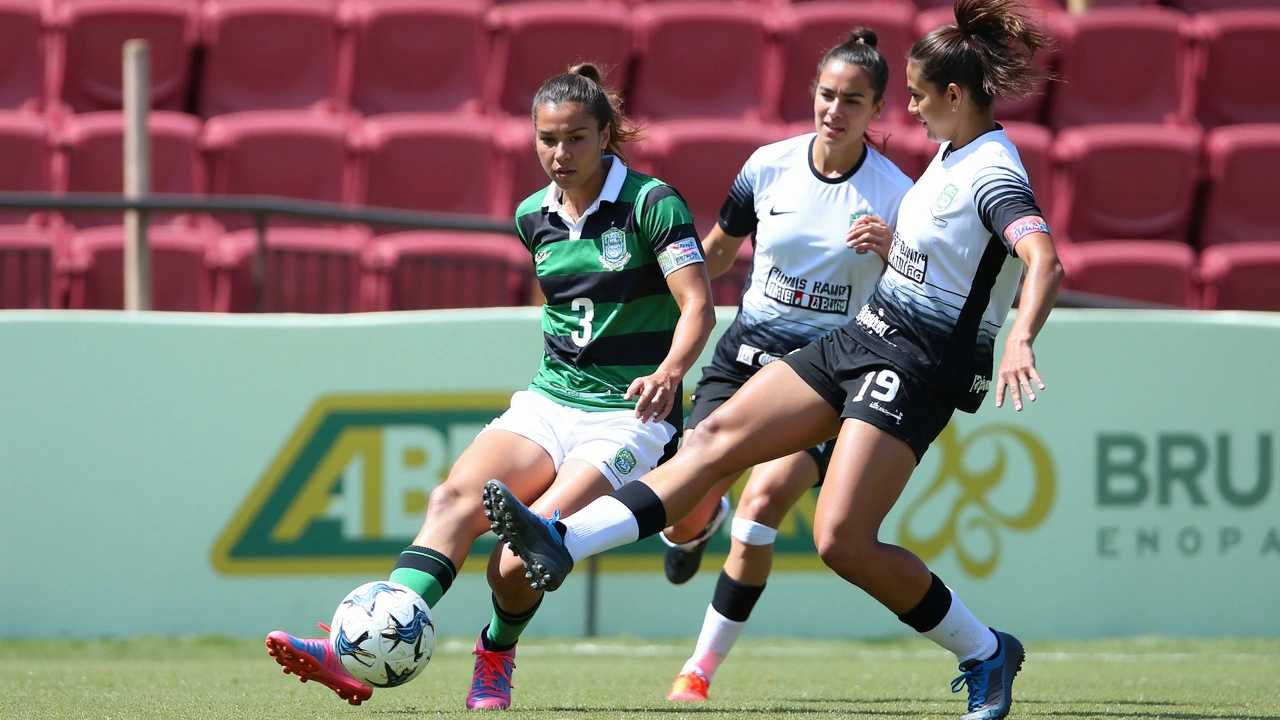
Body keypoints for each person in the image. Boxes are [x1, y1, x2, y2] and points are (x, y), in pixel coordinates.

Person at [483, 0, 1061, 717]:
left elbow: (1042, 257)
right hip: (863, 336)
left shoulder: (992, 170)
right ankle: (561, 538)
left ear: (952, 96)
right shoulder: (949, 153)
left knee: (841, 541)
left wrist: (1023, 337)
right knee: (715, 440)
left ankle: (984, 650)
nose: (906, 108)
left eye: (911, 95)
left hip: (916, 367)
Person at [264, 62, 716, 710]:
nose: (560, 154)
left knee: (515, 562)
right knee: (450, 499)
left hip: (626, 416)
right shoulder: (534, 215)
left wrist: (671, 372)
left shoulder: (651, 203)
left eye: (577, 138)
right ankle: (353, 652)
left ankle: (495, 656)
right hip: (552, 401)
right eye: (547, 139)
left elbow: (697, 305)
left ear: (606, 134)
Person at [642, 29, 915, 703]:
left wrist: (895, 251)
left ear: (878, 110)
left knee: (763, 506)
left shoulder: (898, 195)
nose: (835, 110)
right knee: (680, 515)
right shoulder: (767, 166)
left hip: (828, 377)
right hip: (744, 360)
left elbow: (924, 290)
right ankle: (698, 521)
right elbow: (719, 251)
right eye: (827, 95)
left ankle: (697, 673)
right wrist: (664, 297)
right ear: (812, 95)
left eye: (854, 100)